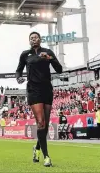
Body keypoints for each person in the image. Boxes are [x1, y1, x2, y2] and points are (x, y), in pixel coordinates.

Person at [15, 31, 62, 167]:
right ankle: (46, 156)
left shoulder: (47, 52)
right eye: (31, 38)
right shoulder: (25, 54)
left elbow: (59, 69)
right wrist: (19, 78)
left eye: (36, 37)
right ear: (29, 41)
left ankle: (36, 148)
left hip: (46, 89)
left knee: (45, 124)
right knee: (40, 122)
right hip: (33, 90)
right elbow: (18, 70)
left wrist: (49, 58)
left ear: (40, 39)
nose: (33, 39)